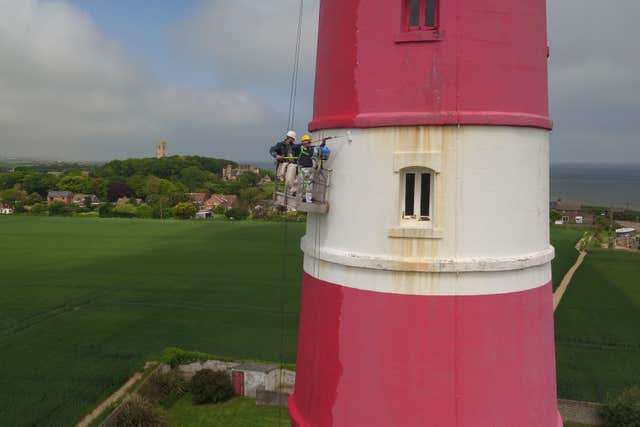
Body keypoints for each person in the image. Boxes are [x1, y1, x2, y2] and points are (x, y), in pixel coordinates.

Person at [295, 134, 323, 203]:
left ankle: (308, 200)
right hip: (302, 169)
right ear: (304, 142)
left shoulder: (311, 148)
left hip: (310, 169)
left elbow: (319, 147)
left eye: (309, 141)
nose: (309, 143)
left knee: (309, 185)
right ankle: (299, 199)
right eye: (308, 141)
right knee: (301, 184)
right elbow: (293, 147)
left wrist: (323, 142)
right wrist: (303, 143)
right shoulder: (299, 148)